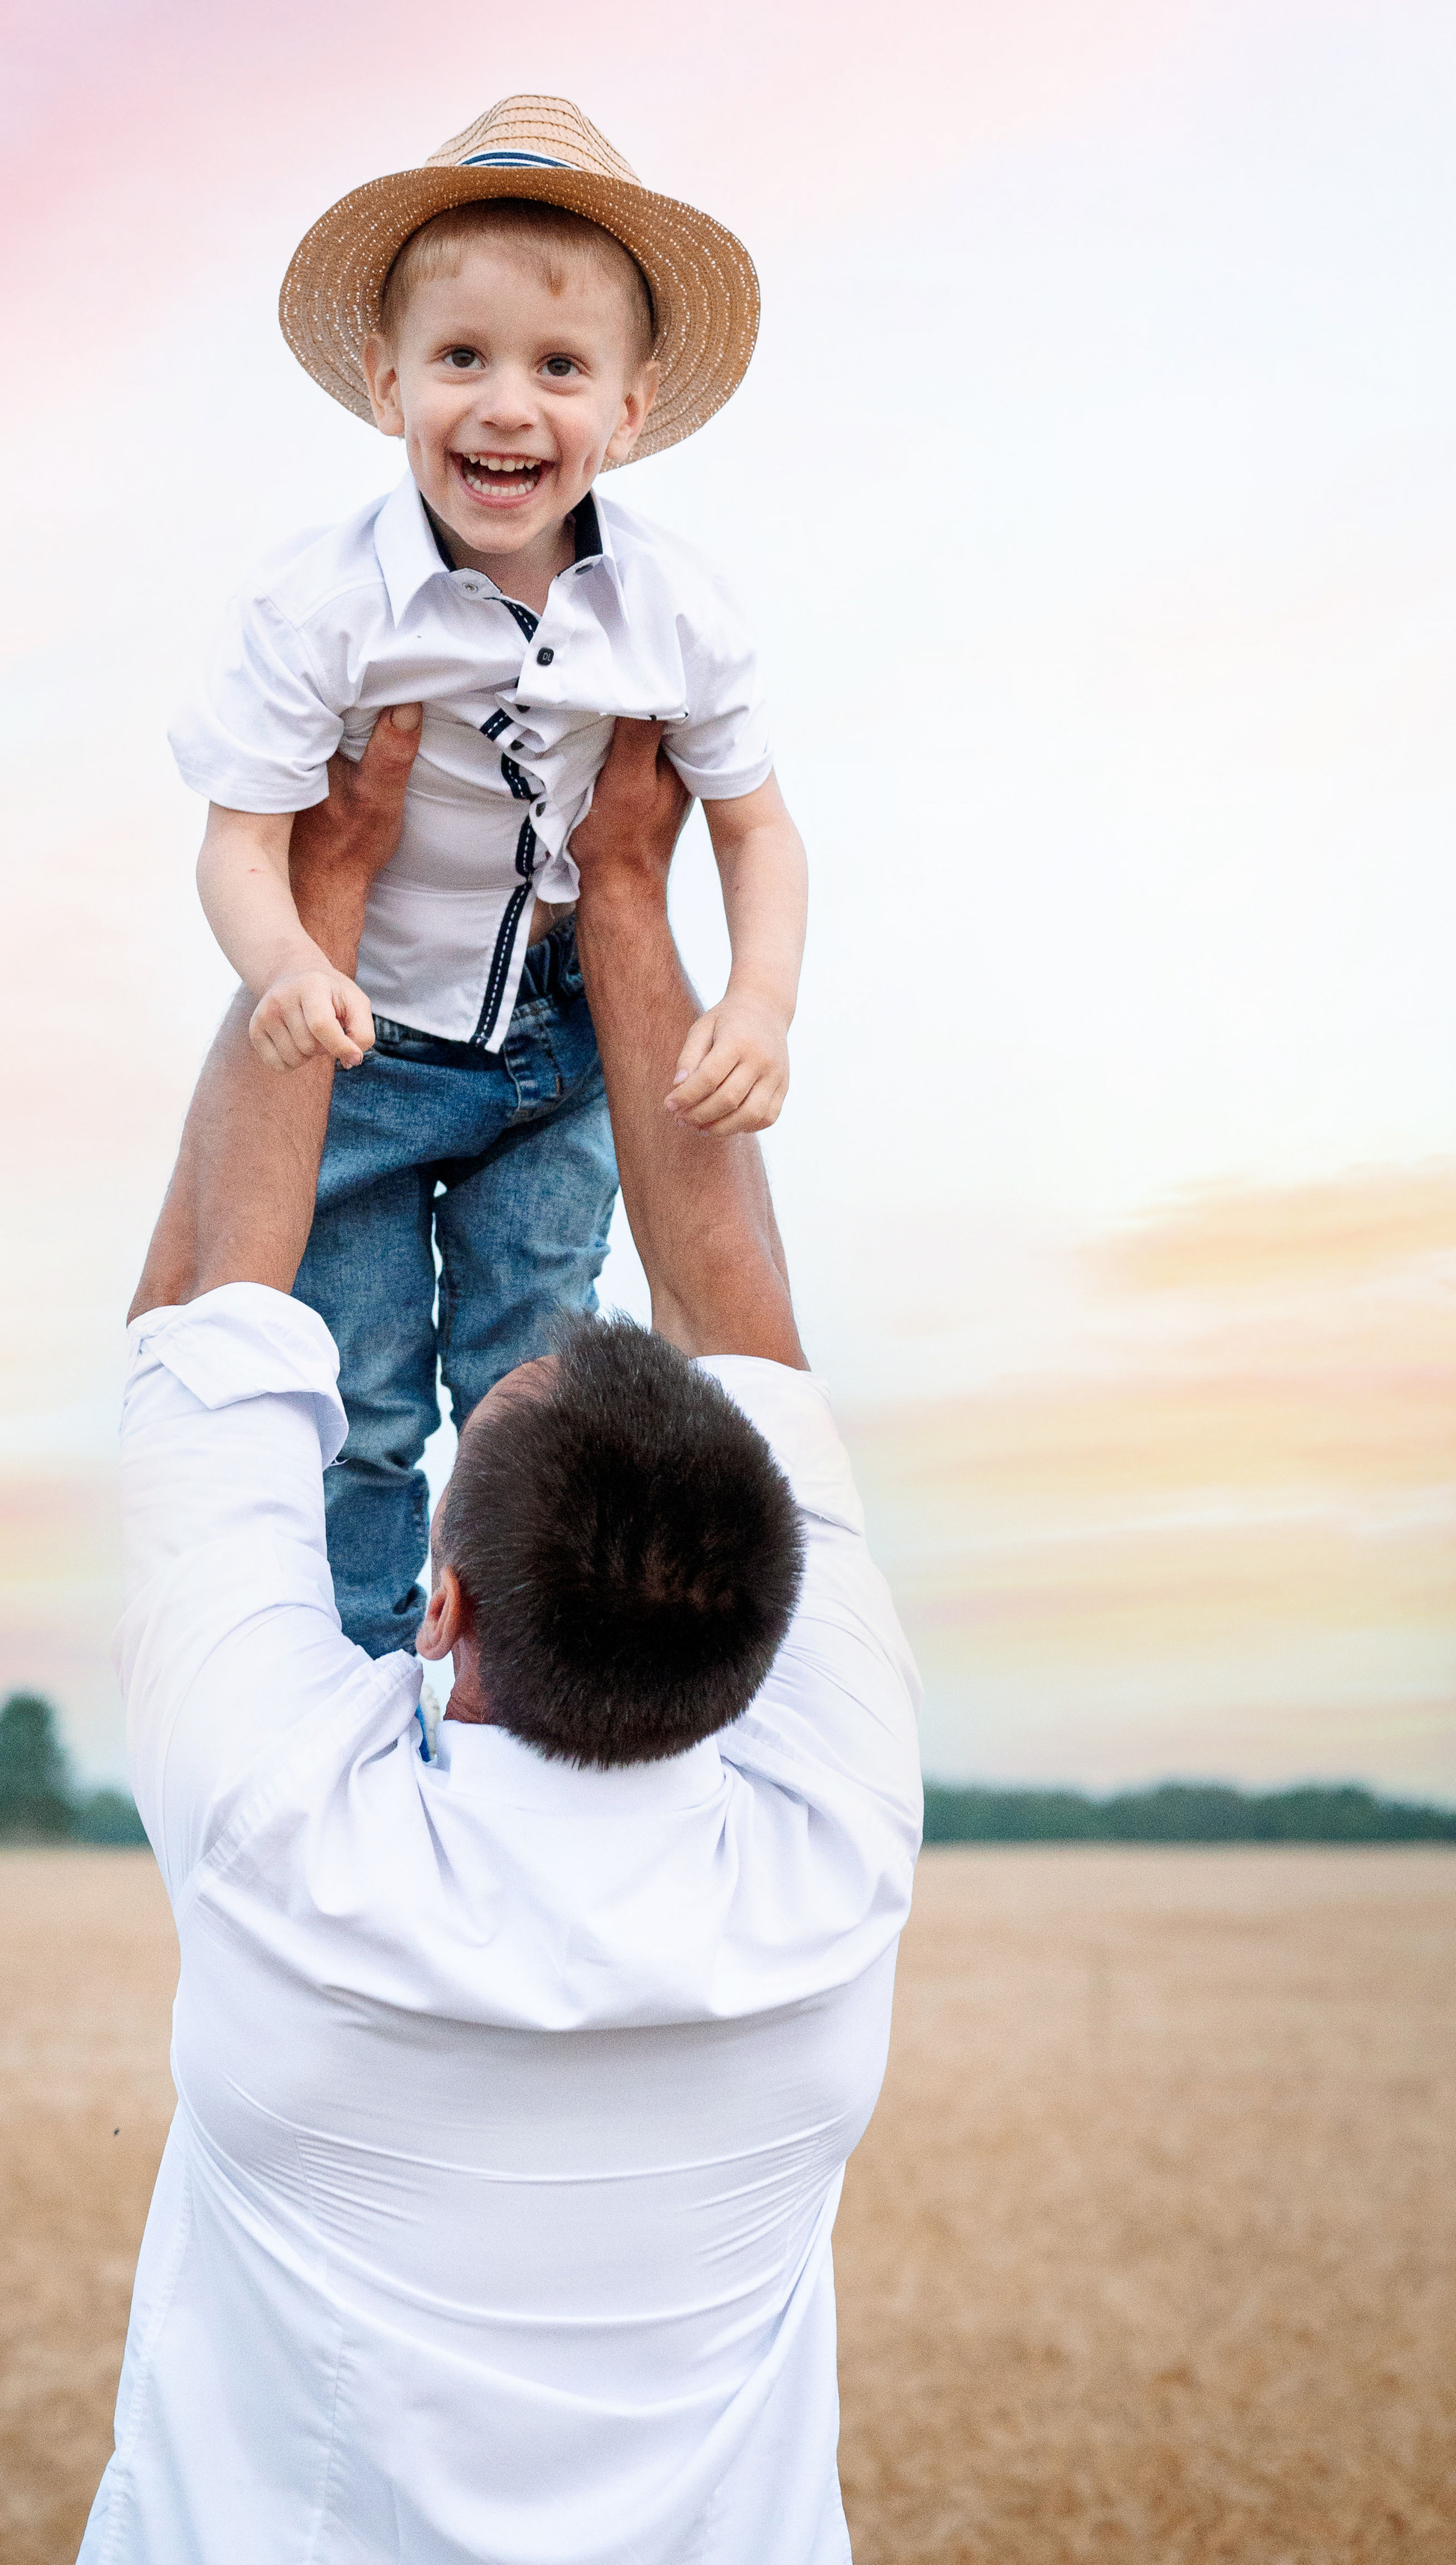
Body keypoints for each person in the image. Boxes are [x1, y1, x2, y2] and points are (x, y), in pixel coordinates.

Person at [78, 710, 922, 2565]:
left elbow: (198, 1299)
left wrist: (311, 917)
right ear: (772, 1631)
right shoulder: (828, 1853)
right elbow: (734, 1301)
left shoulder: (289, 1836)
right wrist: (624, 886)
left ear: (435, 1603)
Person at [171, 94, 809, 1652]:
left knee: (532, 1374)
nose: (504, 406)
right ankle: (360, 1671)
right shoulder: (319, 606)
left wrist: (760, 999)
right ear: (386, 382)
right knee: (360, 1385)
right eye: (460, 358)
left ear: (630, 409)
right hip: (364, 1038)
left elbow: (755, 823)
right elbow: (240, 839)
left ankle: (513, 1669)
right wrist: (287, 965)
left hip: (556, 1045)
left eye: (556, 367)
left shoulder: (674, 609)